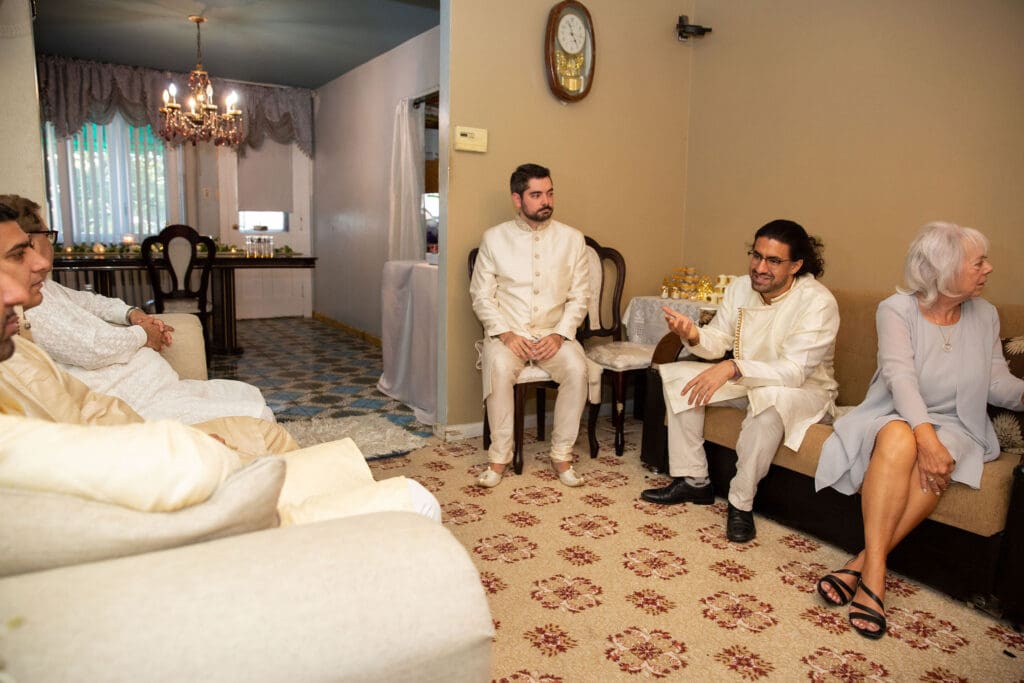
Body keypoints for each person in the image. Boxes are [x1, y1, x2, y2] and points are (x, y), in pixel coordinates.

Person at [0, 205, 440, 523]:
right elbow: (93, 391)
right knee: (414, 501)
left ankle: (311, 494)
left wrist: (135, 315)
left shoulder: (33, 329)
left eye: (37, 247)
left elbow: (92, 323)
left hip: (142, 424)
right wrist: (183, 443)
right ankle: (321, 519)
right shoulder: (28, 336)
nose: (40, 261)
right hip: (152, 443)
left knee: (264, 426)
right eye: (21, 253)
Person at [814, 222, 1024, 640]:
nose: (989, 268)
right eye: (978, 261)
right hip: (894, 409)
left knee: (942, 448)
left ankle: (863, 565)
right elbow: (899, 378)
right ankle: (876, 575)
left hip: (959, 422)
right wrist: (924, 437)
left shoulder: (985, 315)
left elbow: (996, 382)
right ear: (944, 270)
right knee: (899, 437)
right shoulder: (896, 309)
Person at [641, 219, 839, 543]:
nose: (760, 267)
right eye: (756, 255)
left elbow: (793, 371)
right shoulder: (739, 287)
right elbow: (718, 337)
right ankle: (694, 480)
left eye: (773, 261)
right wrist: (692, 335)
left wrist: (732, 368)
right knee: (677, 377)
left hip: (803, 390)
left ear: (797, 265)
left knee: (770, 401)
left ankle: (740, 503)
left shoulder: (817, 302)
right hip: (747, 379)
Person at [0, 194, 272, 425]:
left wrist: (132, 313)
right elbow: (93, 348)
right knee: (260, 416)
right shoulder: (24, 309)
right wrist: (144, 334)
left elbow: (92, 302)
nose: (48, 248)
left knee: (250, 394)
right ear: (30, 242)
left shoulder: (45, 289)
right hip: (136, 402)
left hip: (160, 387)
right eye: (48, 235)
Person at [469, 163, 590, 488]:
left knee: (578, 370)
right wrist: (506, 334)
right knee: (497, 367)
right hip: (509, 334)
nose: (545, 201)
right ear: (517, 199)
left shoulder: (572, 239)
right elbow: (481, 296)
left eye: (549, 193)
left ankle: (561, 453)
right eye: (536, 195)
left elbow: (581, 296)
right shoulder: (494, 239)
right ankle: (499, 457)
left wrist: (561, 333)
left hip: (555, 333)